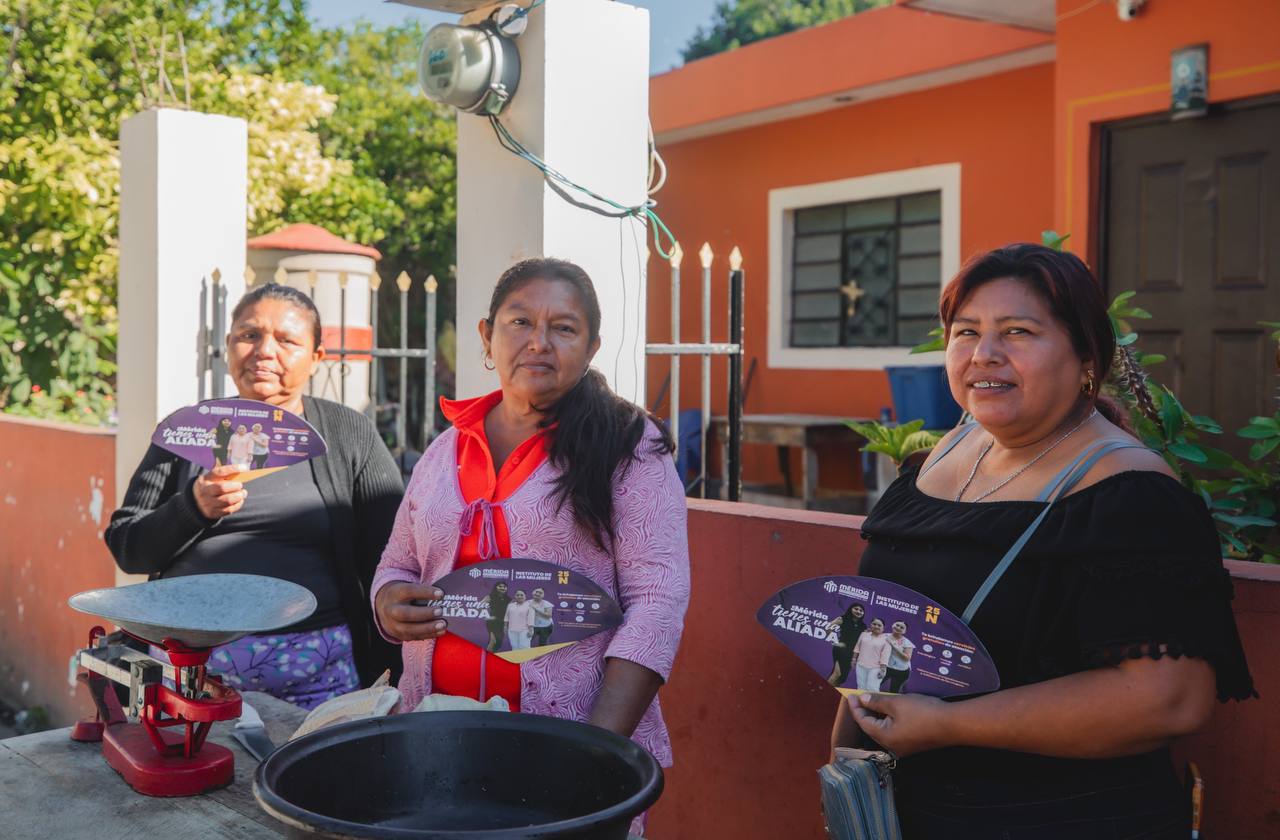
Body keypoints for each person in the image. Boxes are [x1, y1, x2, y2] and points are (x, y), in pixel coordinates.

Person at [830, 244, 1254, 839]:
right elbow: (879, 617)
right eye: (966, 331)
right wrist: (845, 764)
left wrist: (951, 725)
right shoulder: (947, 451)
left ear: (1086, 356)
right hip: (908, 813)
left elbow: (1169, 700)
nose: (984, 354)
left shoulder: (1131, 494)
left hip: (1060, 818)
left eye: (1018, 332)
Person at [371, 259, 691, 834]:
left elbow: (658, 602)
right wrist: (388, 602)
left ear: (592, 346)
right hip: (439, 740)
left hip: (566, 743)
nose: (539, 342)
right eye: (520, 321)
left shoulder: (629, 444)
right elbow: (399, 560)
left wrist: (592, 751)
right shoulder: (447, 449)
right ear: (487, 335)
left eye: (564, 328)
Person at [105, 283, 404, 710]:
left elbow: (393, 552)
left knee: (311, 777)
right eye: (249, 335)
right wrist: (193, 507)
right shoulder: (188, 431)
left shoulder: (347, 433)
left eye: (287, 340)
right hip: (190, 672)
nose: (265, 351)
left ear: (317, 357)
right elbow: (128, 549)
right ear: (228, 346)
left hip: (319, 673)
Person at [827, 602, 866, 686]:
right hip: (841, 650)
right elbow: (828, 628)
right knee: (837, 674)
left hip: (851, 653)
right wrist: (835, 642)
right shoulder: (842, 619)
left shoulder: (863, 626)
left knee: (842, 678)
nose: (858, 611)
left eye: (861, 610)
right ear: (851, 609)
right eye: (856, 609)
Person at [852, 619, 891, 692]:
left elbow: (885, 655)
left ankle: (872, 703)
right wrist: (854, 659)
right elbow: (857, 647)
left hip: (876, 668)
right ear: (871, 625)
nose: (876, 626)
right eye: (874, 624)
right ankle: (861, 703)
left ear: (883, 628)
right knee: (861, 687)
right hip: (861, 665)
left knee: (872, 688)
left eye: (879, 625)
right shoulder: (864, 634)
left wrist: (883, 670)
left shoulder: (887, 639)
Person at [478, 582, 511, 652]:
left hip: (503, 623)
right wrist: (486, 616)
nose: (502, 588)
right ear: (496, 587)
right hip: (493, 622)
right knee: (493, 641)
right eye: (500, 586)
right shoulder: (490, 596)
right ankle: (488, 656)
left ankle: (493, 655)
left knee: (499, 643)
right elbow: (479, 606)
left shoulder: (509, 599)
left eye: (504, 586)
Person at [884, 620, 914, 693]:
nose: (898, 628)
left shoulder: (907, 642)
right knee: (873, 685)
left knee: (893, 692)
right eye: (897, 625)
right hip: (885, 667)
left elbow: (907, 658)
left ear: (904, 631)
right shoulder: (884, 636)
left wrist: (894, 647)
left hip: (901, 671)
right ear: (892, 625)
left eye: (902, 627)